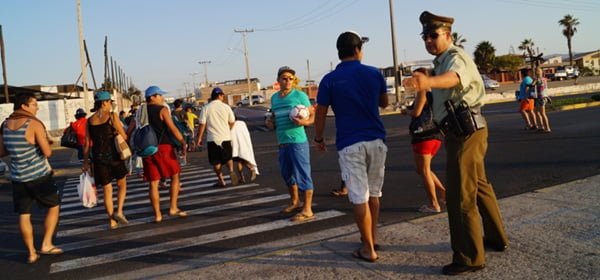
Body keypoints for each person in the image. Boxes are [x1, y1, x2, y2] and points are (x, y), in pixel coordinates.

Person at [407, 11, 509, 275]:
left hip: (466, 133)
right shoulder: (440, 61)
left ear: (448, 36)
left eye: (434, 35)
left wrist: (427, 81)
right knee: (480, 186)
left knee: (460, 196)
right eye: (425, 36)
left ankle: (469, 257)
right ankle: (496, 239)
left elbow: (454, 78)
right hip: (462, 132)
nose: (429, 40)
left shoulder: (455, 57)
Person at [314, 31, 388, 263]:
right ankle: (372, 238)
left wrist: (318, 138)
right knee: (374, 194)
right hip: (376, 141)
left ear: (339, 52)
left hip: (350, 144)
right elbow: (384, 103)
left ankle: (368, 248)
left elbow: (321, 112)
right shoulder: (374, 73)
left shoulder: (329, 80)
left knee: (359, 197)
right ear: (358, 50)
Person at [0, 92, 62, 264]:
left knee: (24, 214)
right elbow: (47, 153)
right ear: (24, 106)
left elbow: (2, 152)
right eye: (34, 104)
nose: (37, 107)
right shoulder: (33, 124)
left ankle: (31, 253)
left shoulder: (5, 124)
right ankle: (46, 243)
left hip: (18, 178)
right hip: (39, 176)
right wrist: (45, 143)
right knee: (54, 206)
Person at [266, 66, 316, 222]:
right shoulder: (274, 98)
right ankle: (295, 202)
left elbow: (312, 116)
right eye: (284, 78)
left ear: (294, 81)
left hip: (298, 141)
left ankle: (307, 209)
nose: (288, 81)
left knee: (303, 174)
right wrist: (270, 122)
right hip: (282, 141)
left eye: (290, 78)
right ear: (278, 80)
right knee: (287, 174)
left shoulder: (300, 95)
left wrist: (305, 121)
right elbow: (273, 118)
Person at [82, 91, 129, 230]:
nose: (111, 105)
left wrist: (85, 162)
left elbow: (86, 144)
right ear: (104, 103)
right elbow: (124, 136)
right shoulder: (112, 116)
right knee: (122, 184)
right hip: (114, 156)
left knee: (107, 190)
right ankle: (119, 211)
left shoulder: (89, 121)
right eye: (110, 102)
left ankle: (111, 221)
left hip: (99, 158)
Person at [141, 86, 188, 222]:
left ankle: (157, 215)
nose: (162, 98)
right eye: (160, 95)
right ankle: (173, 208)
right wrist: (182, 142)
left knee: (153, 183)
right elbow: (172, 128)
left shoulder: (140, 111)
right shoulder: (162, 110)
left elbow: (132, 129)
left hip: (146, 149)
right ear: (152, 97)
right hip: (163, 147)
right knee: (175, 175)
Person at [407, 68, 446, 213]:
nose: (413, 80)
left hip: (423, 135)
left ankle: (434, 204)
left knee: (423, 170)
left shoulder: (423, 91)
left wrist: (406, 111)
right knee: (423, 169)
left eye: (416, 77)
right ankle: (443, 192)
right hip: (434, 134)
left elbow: (416, 112)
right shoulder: (435, 92)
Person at [196, 87, 237, 187]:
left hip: (212, 139)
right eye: (222, 95)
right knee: (228, 157)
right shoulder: (226, 107)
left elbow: (202, 124)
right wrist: (227, 129)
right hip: (226, 137)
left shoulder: (206, 108)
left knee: (216, 161)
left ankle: (221, 180)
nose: (223, 97)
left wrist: (199, 138)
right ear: (219, 96)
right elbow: (232, 121)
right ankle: (231, 170)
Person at [534, 67, 552, 133]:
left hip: (541, 97)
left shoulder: (540, 79)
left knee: (542, 113)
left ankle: (547, 128)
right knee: (536, 112)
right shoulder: (540, 79)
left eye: (538, 71)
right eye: (536, 70)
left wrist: (547, 96)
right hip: (536, 97)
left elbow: (532, 85)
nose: (537, 72)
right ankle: (541, 127)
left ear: (541, 72)